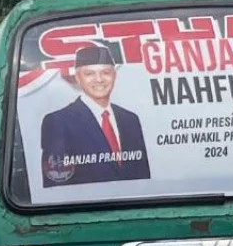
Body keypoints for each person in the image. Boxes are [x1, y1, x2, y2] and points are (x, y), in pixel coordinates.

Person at [39, 45, 152, 187]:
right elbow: (57, 182)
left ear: (114, 76)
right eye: (89, 74)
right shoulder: (58, 121)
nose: (99, 79)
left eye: (105, 72)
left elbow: (143, 176)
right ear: (78, 78)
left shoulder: (130, 119)